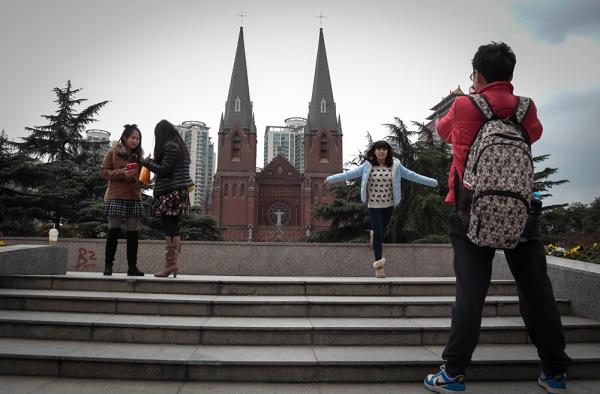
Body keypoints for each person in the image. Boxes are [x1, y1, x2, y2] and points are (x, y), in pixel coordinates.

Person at [424, 42, 570, 393]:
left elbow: (440, 131)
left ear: (477, 73)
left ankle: (454, 374)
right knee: (536, 290)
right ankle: (554, 372)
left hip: (469, 209)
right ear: (511, 74)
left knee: (471, 292)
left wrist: (472, 100)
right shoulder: (526, 107)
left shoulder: (463, 105)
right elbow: (534, 135)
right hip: (522, 211)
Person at [324, 140, 438, 278]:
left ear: (388, 151)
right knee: (379, 234)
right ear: (374, 151)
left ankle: (374, 235)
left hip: (389, 205)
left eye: (384, 149)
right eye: (378, 149)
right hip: (374, 206)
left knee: (381, 232)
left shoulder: (396, 165)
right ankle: (379, 266)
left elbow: (412, 175)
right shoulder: (367, 166)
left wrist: (432, 182)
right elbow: (349, 174)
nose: (381, 151)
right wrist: (330, 179)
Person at [142, 119, 194, 278]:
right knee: (173, 229)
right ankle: (172, 264)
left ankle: (170, 264)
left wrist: (147, 163)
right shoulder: (180, 145)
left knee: (171, 229)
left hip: (170, 193)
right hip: (178, 192)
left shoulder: (170, 146)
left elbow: (164, 170)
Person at [100, 124, 145, 276]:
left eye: (138, 138)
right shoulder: (113, 152)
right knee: (114, 231)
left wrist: (144, 176)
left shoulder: (139, 155)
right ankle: (108, 266)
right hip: (116, 195)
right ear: (125, 138)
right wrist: (122, 173)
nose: (135, 141)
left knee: (133, 234)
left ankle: (132, 267)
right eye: (133, 138)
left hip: (134, 196)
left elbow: (142, 178)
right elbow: (104, 172)